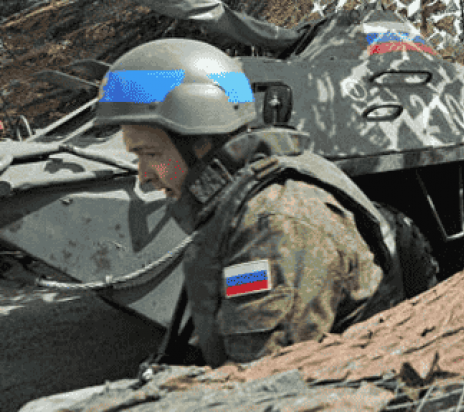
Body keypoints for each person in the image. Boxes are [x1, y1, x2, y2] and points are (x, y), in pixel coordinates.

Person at [94, 38, 437, 368]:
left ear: (200, 144)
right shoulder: (244, 202)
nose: (144, 176)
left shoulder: (276, 225)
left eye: (150, 154)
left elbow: (263, 381)